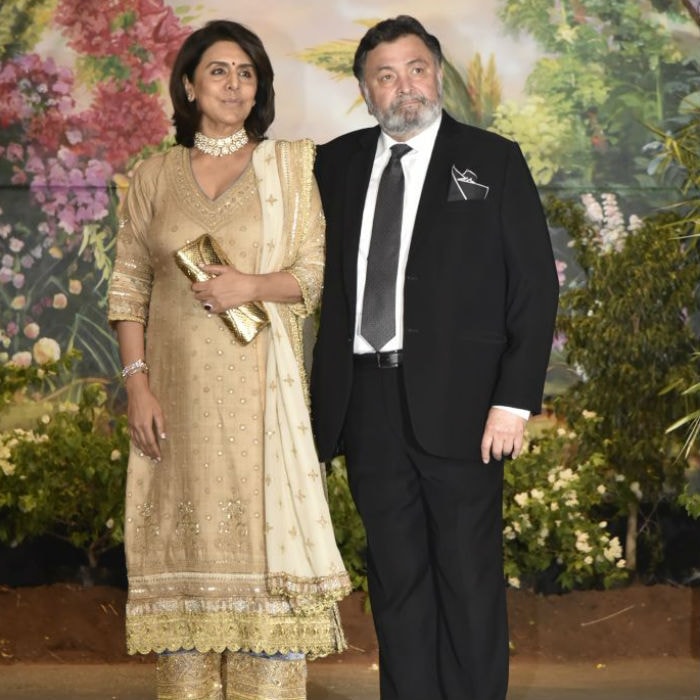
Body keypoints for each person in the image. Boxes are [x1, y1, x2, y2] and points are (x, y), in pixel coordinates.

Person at [310, 15, 559, 700]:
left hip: (465, 407)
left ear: (438, 74)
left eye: (415, 68)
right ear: (366, 91)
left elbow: (533, 288)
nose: (404, 86)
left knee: (469, 578)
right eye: (384, 75)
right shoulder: (333, 164)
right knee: (396, 584)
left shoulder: (493, 159)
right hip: (366, 404)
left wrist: (512, 401)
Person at [107, 19, 350, 700]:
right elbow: (128, 286)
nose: (234, 84)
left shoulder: (288, 169)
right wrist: (138, 388)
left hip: (258, 407)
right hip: (174, 405)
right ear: (188, 84)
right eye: (219, 70)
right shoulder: (153, 176)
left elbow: (315, 272)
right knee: (182, 597)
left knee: (261, 594)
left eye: (246, 73)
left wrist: (252, 286)